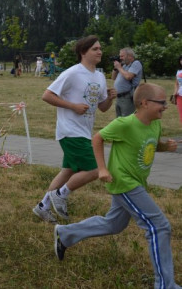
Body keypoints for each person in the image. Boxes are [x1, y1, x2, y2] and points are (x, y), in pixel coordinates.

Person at [54, 84, 179, 289]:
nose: (166, 106)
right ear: (144, 103)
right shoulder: (125, 124)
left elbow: (154, 144)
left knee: (114, 224)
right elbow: (98, 138)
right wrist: (102, 169)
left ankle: (66, 234)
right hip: (124, 182)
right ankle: (165, 285)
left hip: (137, 181)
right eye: (162, 102)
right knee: (159, 226)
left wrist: (166, 146)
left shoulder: (155, 124)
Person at [32, 36, 116, 224]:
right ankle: (61, 194)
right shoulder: (72, 73)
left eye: (100, 48)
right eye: (95, 49)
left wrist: (110, 98)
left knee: (68, 171)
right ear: (83, 52)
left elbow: (102, 107)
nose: (100, 52)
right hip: (70, 130)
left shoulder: (100, 76)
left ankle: (43, 207)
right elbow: (47, 95)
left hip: (84, 131)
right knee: (96, 169)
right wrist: (72, 106)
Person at [112, 47, 143, 117]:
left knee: (127, 119)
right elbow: (113, 78)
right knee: (119, 120)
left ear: (129, 56)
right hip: (119, 97)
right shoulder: (124, 65)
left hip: (128, 97)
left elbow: (129, 76)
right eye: (120, 56)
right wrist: (115, 68)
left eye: (122, 56)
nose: (120, 58)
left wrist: (119, 67)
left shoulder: (136, 63)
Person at [174, 55, 182, 124]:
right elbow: (176, 84)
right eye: (181, 60)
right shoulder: (178, 71)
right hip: (179, 96)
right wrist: (175, 92)